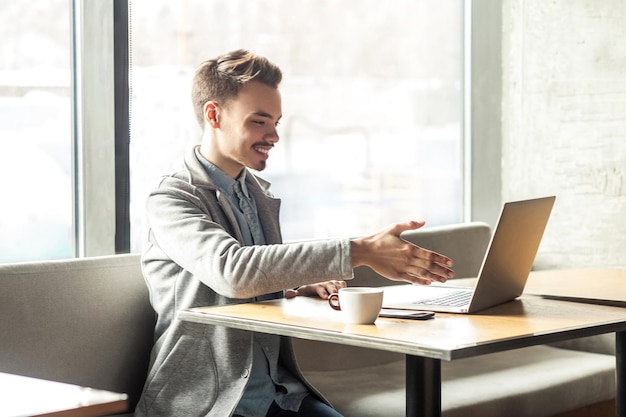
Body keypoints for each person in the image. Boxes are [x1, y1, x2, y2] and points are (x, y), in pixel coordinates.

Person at [134, 49, 455, 417]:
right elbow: (232, 272)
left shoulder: (258, 195)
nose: (273, 136)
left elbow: (249, 281)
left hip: (278, 395)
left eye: (276, 122)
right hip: (209, 403)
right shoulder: (172, 198)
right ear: (213, 114)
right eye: (259, 121)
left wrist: (292, 288)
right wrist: (360, 250)